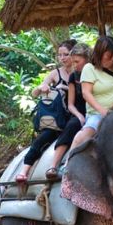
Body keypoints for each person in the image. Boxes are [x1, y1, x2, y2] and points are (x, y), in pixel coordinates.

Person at [17, 39, 77, 183]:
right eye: (59, 55)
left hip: (74, 114)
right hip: (57, 117)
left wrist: (66, 88)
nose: (62, 58)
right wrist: (41, 87)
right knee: (41, 139)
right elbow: (34, 93)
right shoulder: (55, 73)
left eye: (66, 54)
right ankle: (24, 171)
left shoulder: (81, 71)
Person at [68, 36, 113, 152]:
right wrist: (103, 111)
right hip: (99, 114)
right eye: (108, 57)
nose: (112, 60)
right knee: (89, 131)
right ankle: (67, 164)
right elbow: (86, 93)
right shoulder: (89, 68)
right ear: (99, 54)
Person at [44, 42, 92, 180]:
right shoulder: (74, 76)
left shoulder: (96, 73)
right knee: (72, 126)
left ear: (87, 59)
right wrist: (79, 116)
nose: (74, 64)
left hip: (95, 111)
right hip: (79, 112)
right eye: (74, 61)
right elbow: (71, 104)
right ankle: (54, 165)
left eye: (77, 61)